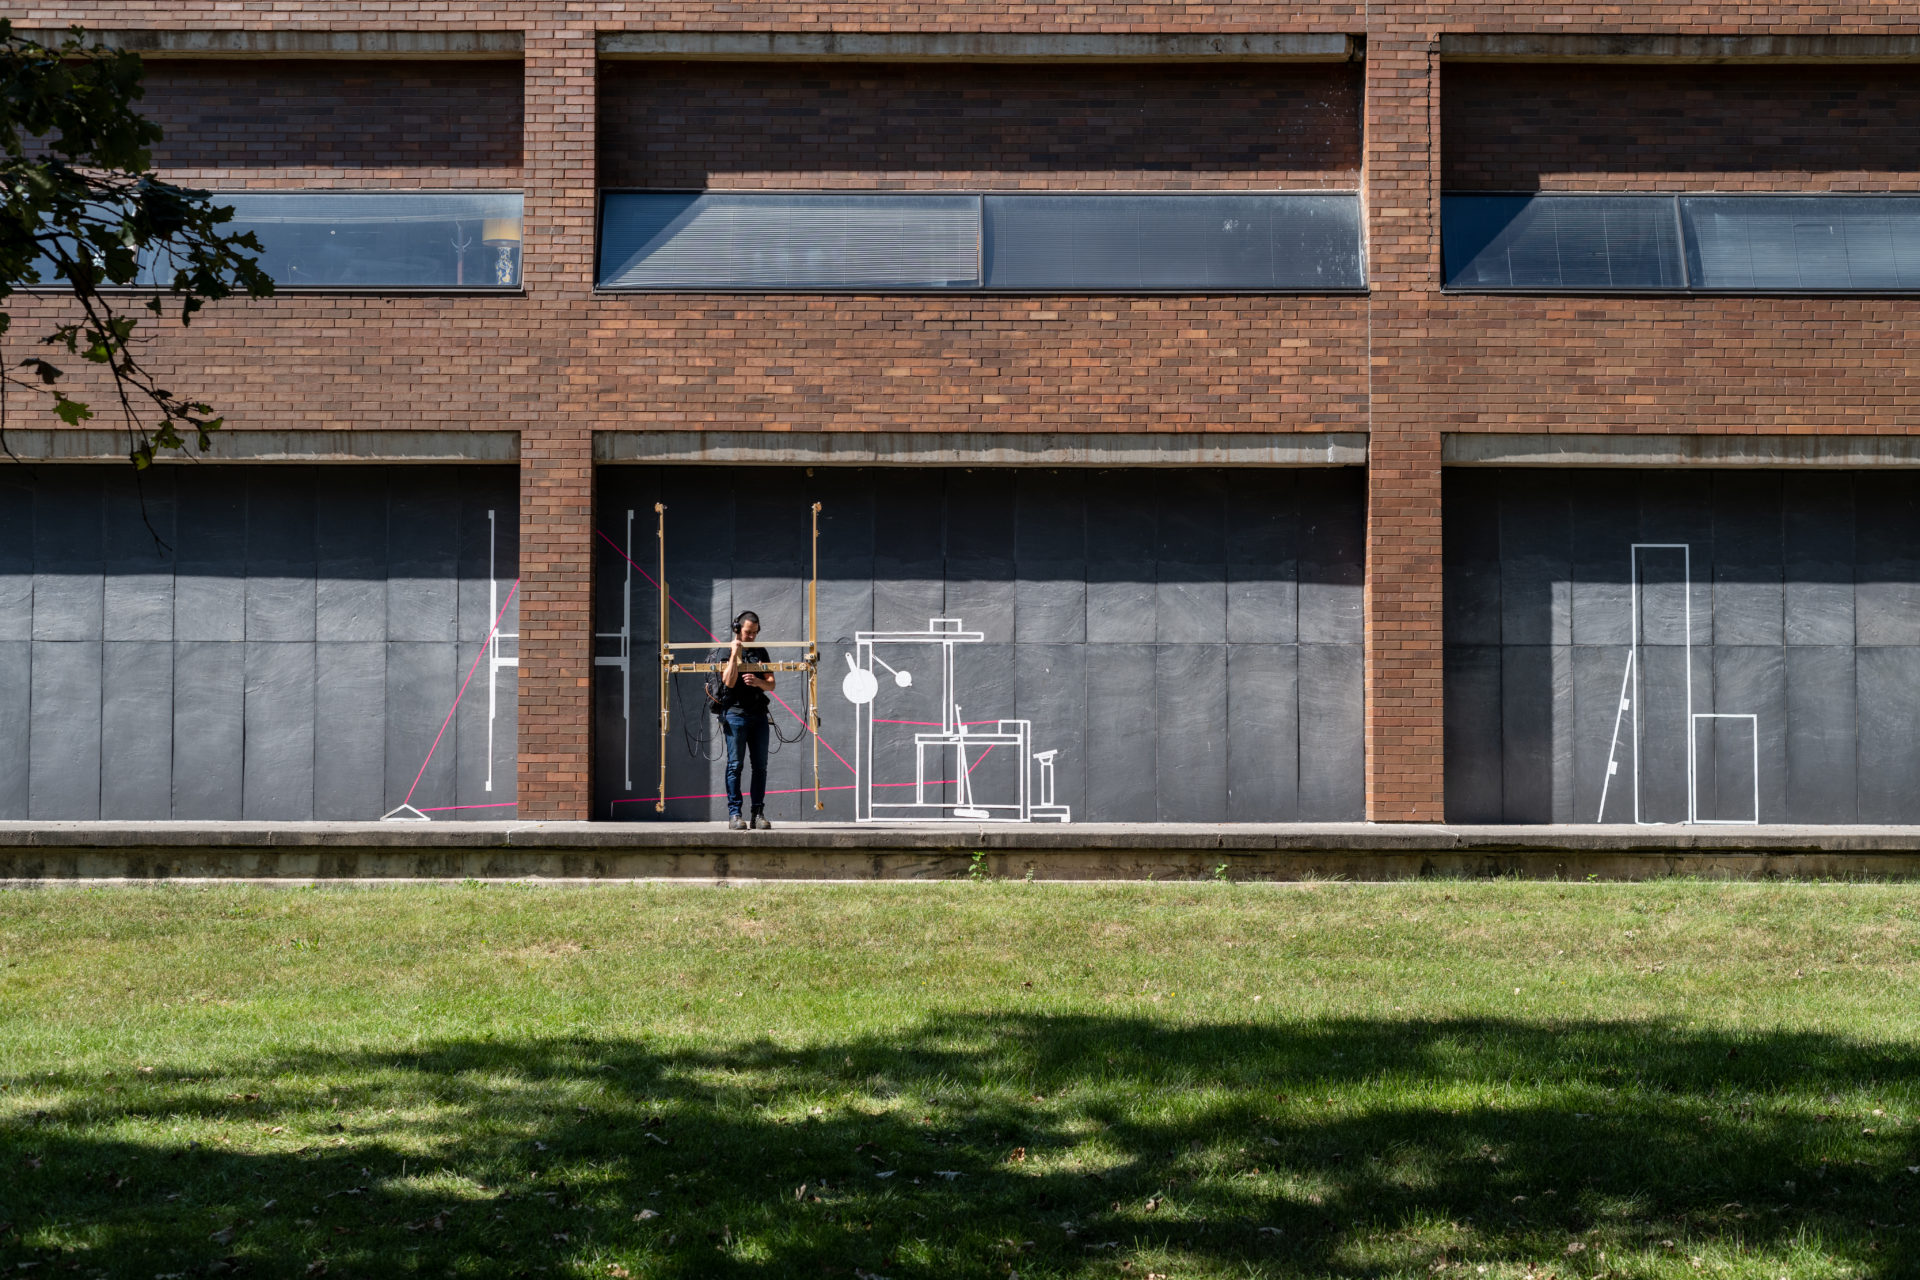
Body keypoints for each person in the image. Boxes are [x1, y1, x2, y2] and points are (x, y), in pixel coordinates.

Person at [709, 610, 774, 830]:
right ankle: (735, 815)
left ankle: (757, 813)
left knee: (760, 766)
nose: (752, 637)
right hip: (735, 715)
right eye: (747, 632)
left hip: (758, 715)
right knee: (735, 765)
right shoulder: (724, 651)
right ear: (737, 629)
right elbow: (728, 681)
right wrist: (735, 652)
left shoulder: (760, 651)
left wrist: (757, 681)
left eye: (755, 633)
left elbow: (771, 683)